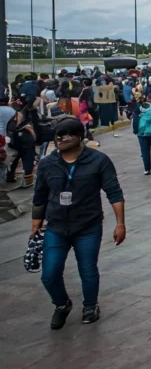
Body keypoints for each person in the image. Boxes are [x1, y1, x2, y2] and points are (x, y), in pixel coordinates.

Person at [31, 117, 126, 328]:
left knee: (87, 269)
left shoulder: (98, 161)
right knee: (49, 274)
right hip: (55, 227)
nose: (61, 138)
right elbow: (39, 197)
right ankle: (62, 304)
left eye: (67, 134)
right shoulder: (47, 164)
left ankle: (90, 306)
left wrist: (120, 224)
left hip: (88, 227)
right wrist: (35, 227)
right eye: (58, 135)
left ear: (79, 137)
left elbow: (114, 192)